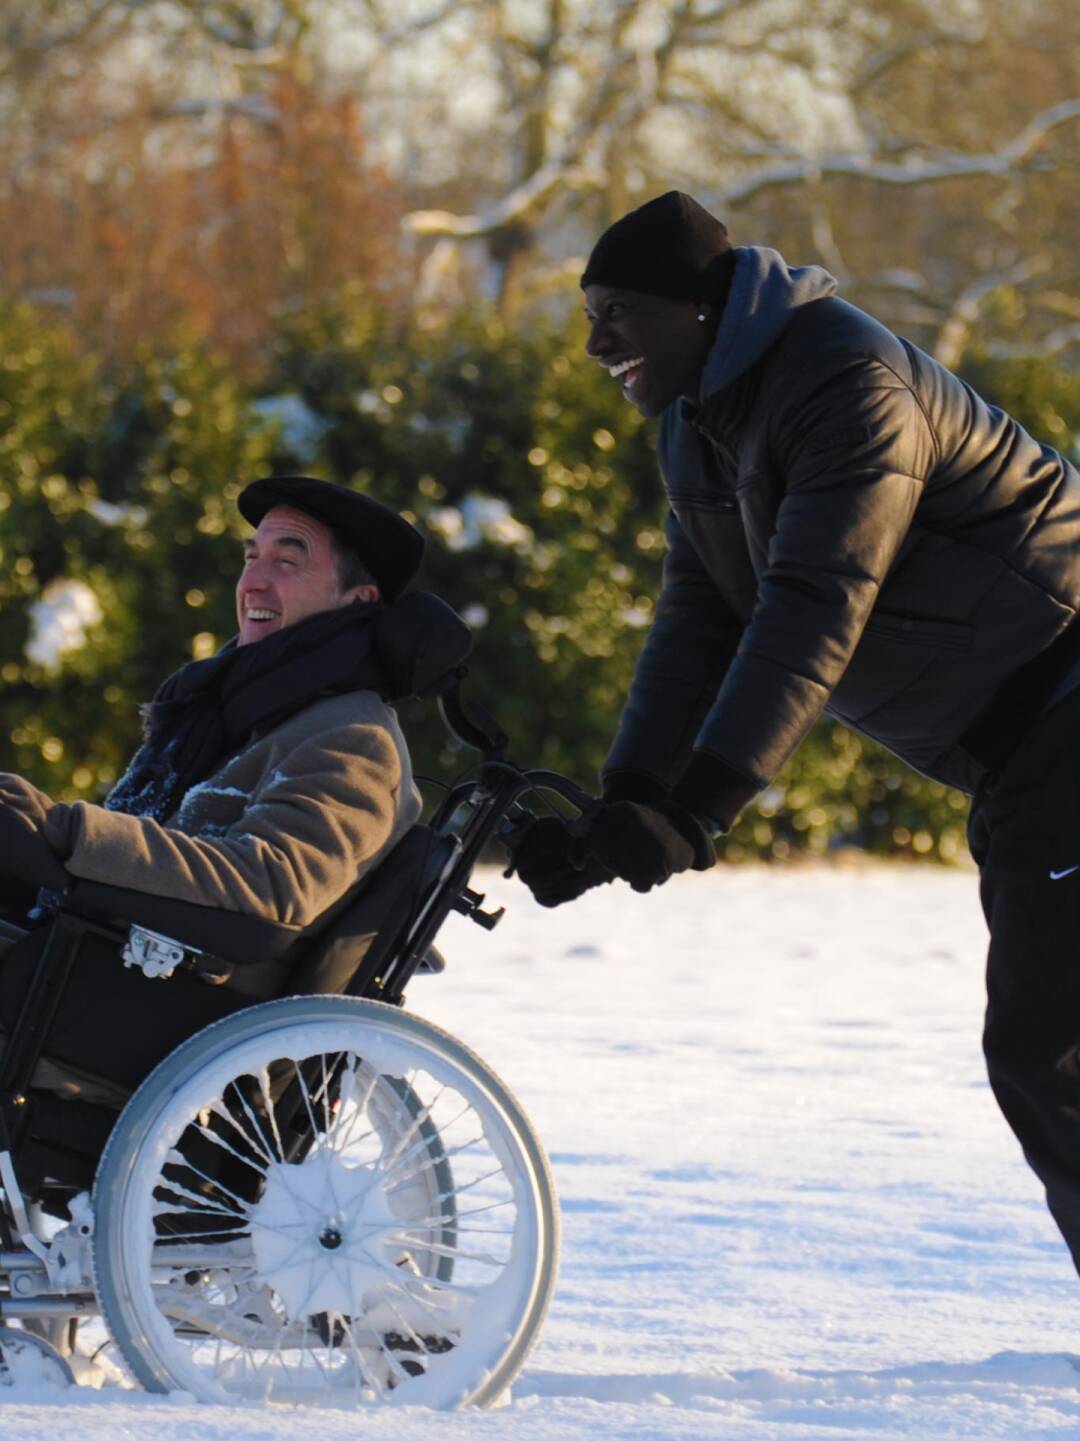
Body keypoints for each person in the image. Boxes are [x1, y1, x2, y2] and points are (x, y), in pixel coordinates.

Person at [512, 190, 1080, 1278]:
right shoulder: (699, 419)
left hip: (1070, 714)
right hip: (1025, 754)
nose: (596, 343)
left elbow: (815, 603)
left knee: (1047, 1051)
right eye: (589, 315)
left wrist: (698, 806)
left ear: (700, 308)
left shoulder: (845, 380)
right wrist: (621, 803)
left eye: (618, 312)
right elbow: (700, 617)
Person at [0, 473, 425, 943]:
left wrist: (66, 832)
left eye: (286, 561)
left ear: (356, 601)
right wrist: (31, 827)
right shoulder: (234, 713)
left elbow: (272, 885)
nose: (252, 583)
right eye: (251, 558)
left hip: (147, 995)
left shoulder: (355, 738)